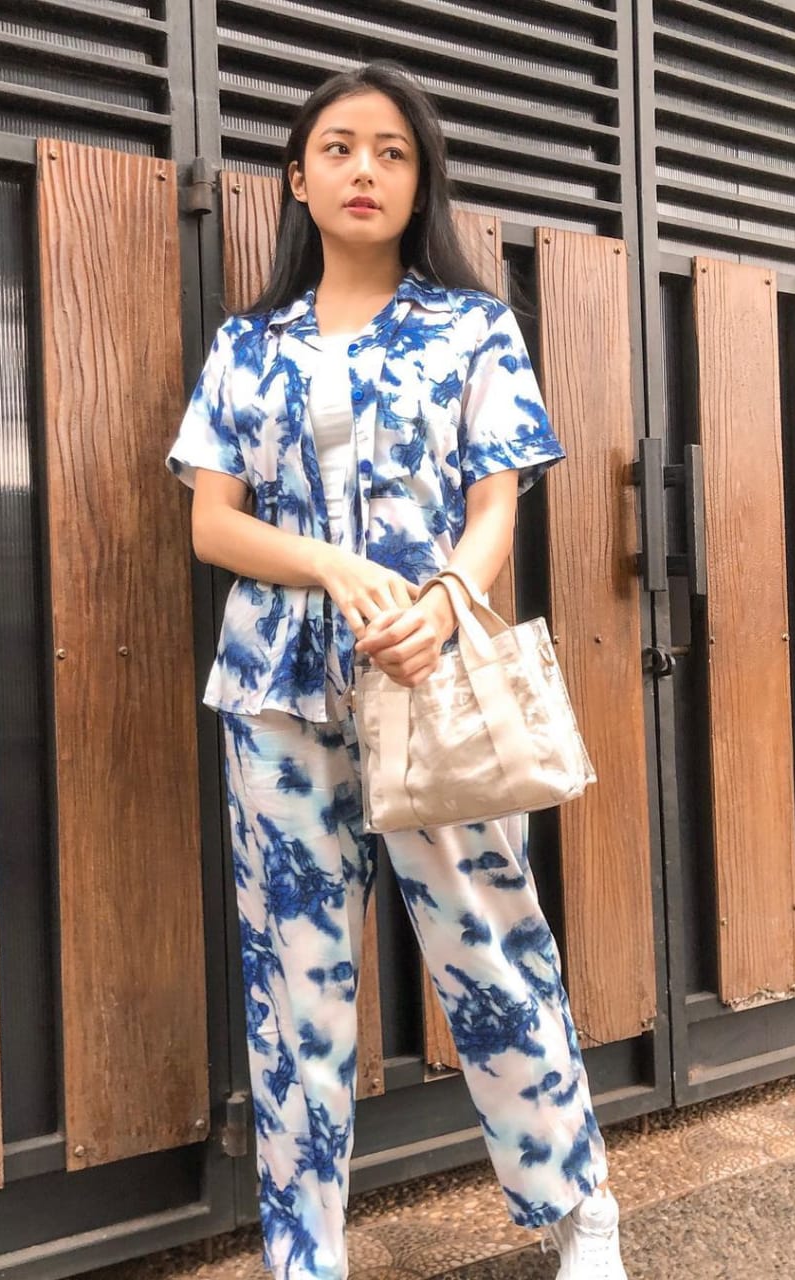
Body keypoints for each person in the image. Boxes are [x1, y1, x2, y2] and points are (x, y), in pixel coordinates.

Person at [167, 59, 627, 1280]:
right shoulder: (246, 343)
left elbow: (496, 506)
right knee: (293, 983)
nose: (362, 169)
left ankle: (578, 1203)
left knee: (491, 942)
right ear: (295, 177)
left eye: (391, 151)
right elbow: (213, 523)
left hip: (433, 679)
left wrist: (443, 602)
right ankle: (304, 1252)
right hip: (275, 689)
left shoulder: (471, 326)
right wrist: (327, 562)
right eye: (337, 148)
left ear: (421, 181)